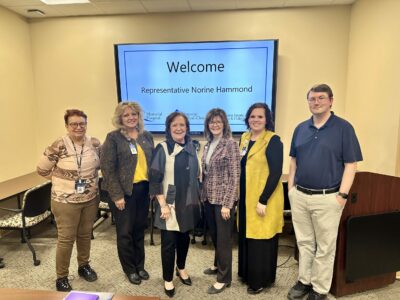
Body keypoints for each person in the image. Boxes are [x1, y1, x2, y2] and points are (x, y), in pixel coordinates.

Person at [287, 84, 362, 300]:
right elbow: (293, 160)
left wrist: (342, 196)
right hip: (300, 195)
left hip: (328, 198)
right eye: (312, 99)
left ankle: (319, 289)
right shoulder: (300, 128)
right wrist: (291, 189)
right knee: (304, 243)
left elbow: (351, 164)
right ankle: (304, 281)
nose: (316, 102)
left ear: (331, 100)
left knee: (325, 247)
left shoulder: (343, 128)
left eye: (321, 98)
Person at [37, 109, 101, 291]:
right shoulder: (59, 144)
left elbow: (102, 164)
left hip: (90, 199)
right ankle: (62, 276)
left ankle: (84, 266)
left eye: (82, 123)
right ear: (67, 126)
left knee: (85, 234)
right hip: (65, 202)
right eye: (74, 124)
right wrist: (61, 181)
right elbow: (42, 169)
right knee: (66, 239)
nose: (78, 127)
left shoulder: (95, 143)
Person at [100, 102, 154, 285]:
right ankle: (130, 269)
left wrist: (154, 189)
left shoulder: (146, 136)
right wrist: (116, 196)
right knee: (125, 233)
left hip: (143, 190)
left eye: (134, 114)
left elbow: (152, 165)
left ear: (139, 116)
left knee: (140, 230)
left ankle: (140, 266)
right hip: (123, 192)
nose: (131, 117)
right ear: (120, 118)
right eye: (126, 115)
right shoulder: (113, 138)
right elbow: (107, 168)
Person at [149, 112, 201, 298]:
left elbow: (196, 175)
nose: (179, 128)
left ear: (187, 127)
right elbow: (154, 180)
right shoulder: (162, 148)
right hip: (169, 204)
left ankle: (181, 268)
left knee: (184, 239)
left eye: (182, 125)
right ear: (169, 128)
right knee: (169, 244)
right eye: (175, 125)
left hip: (188, 203)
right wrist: (162, 204)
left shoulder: (192, 147)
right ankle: (168, 278)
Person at [238, 102, 284, 294]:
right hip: (245, 198)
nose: (255, 120)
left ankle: (259, 280)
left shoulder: (273, 140)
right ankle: (247, 274)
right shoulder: (244, 137)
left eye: (260, 117)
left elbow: (275, 173)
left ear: (267, 120)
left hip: (264, 198)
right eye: (252, 116)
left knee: (261, 239)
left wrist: (263, 199)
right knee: (247, 236)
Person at [201, 108, 240, 294]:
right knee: (215, 236)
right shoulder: (208, 144)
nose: (215, 125)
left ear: (224, 124)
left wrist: (228, 203)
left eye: (218, 121)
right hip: (209, 198)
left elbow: (235, 176)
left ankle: (224, 278)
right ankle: (218, 265)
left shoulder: (230, 144)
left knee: (224, 239)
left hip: (223, 200)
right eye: (211, 122)